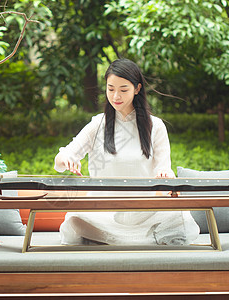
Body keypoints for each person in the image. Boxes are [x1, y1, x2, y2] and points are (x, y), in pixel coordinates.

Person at [54, 58, 199, 245]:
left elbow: (165, 172)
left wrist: (165, 175)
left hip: (142, 212)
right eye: (110, 89)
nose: (116, 96)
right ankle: (134, 241)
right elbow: (60, 161)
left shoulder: (156, 126)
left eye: (123, 90)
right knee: (75, 221)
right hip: (102, 213)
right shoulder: (98, 124)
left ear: (137, 89)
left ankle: (117, 240)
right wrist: (65, 159)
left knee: (180, 218)